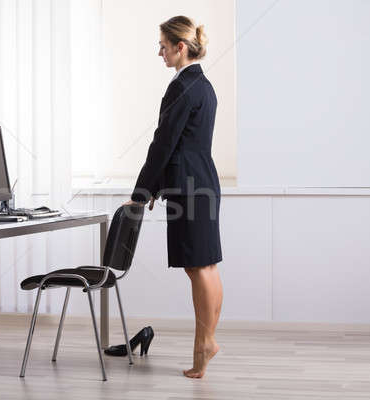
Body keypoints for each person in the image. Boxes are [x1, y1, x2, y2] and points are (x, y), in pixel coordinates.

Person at [124, 15, 224, 379]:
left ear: (181, 47)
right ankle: (206, 342)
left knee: (198, 268)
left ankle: (205, 344)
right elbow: (183, 144)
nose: (160, 52)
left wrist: (140, 192)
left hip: (189, 187)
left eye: (164, 46)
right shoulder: (206, 86)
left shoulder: (181, 87)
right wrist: (156, 187)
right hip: (203, 184)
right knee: (206, 266)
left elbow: (163, 143)